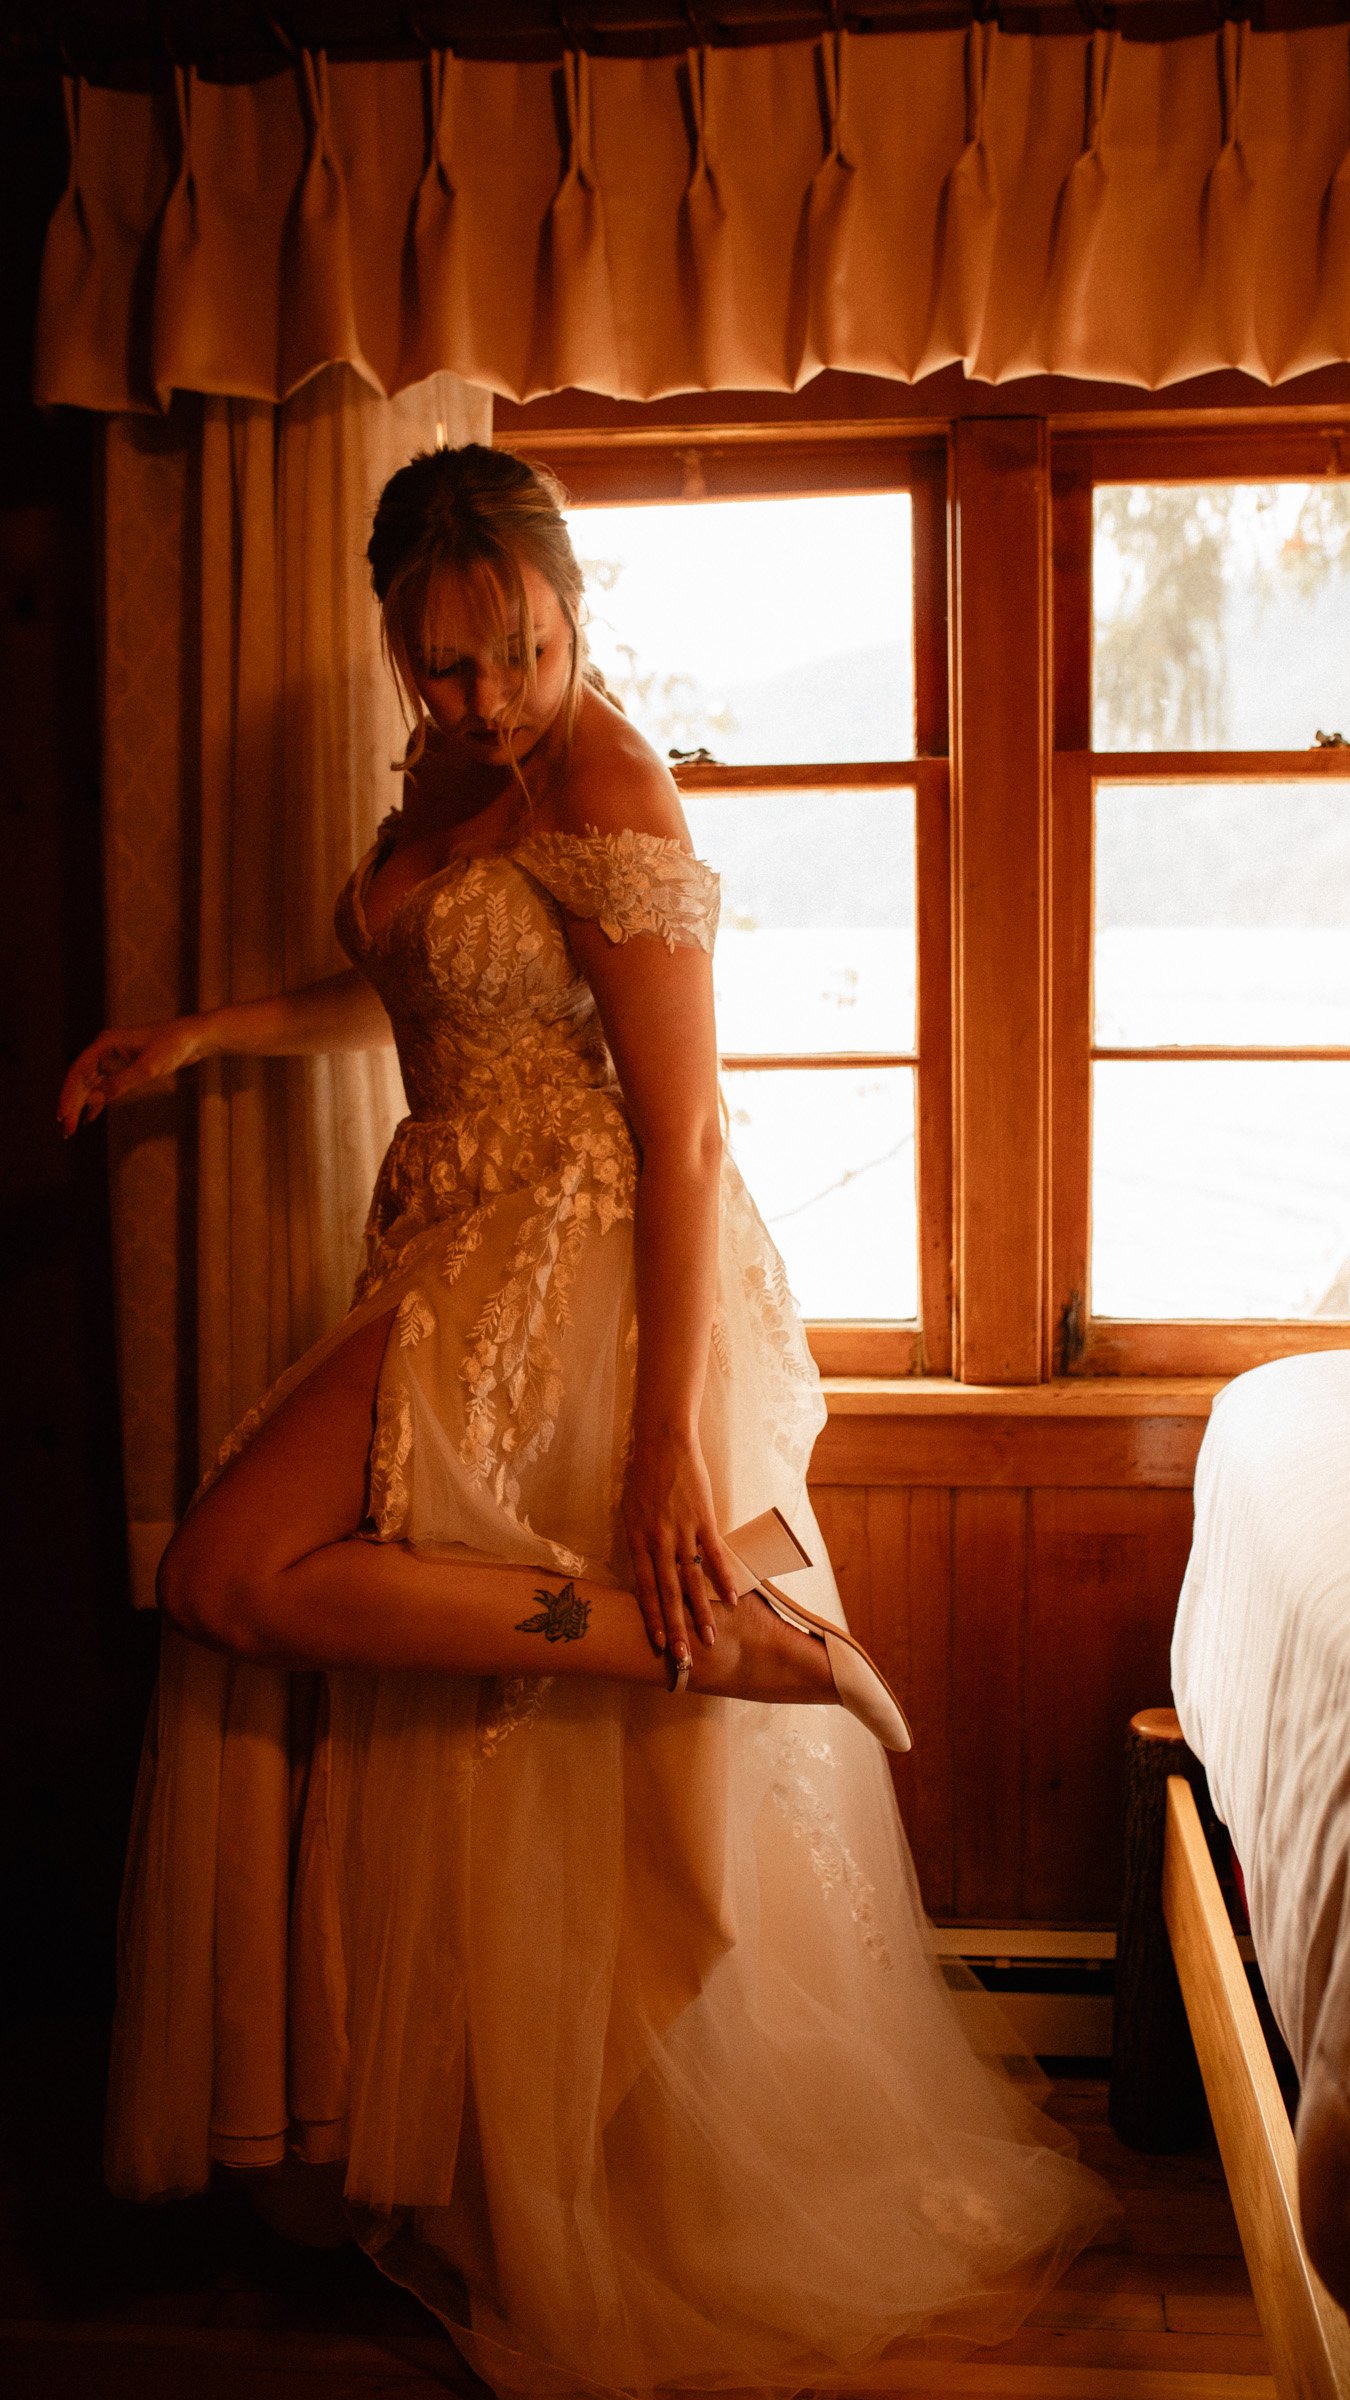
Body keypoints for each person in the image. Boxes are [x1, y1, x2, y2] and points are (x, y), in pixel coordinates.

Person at [61, 444, 1115, 2398]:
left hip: (573, 1258)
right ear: (395, 640)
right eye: (439, 666)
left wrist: (665, 1450)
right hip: (439, 1237)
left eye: (513, 657)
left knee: (232, 1572)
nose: (478, 700)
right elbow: (414, 982)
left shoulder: (607, 779)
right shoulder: (443, 782)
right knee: (404, 1717)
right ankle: (647, 1710)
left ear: (569, 605)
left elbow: (687, 1124)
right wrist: (203, 1035)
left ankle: (668, 1632)